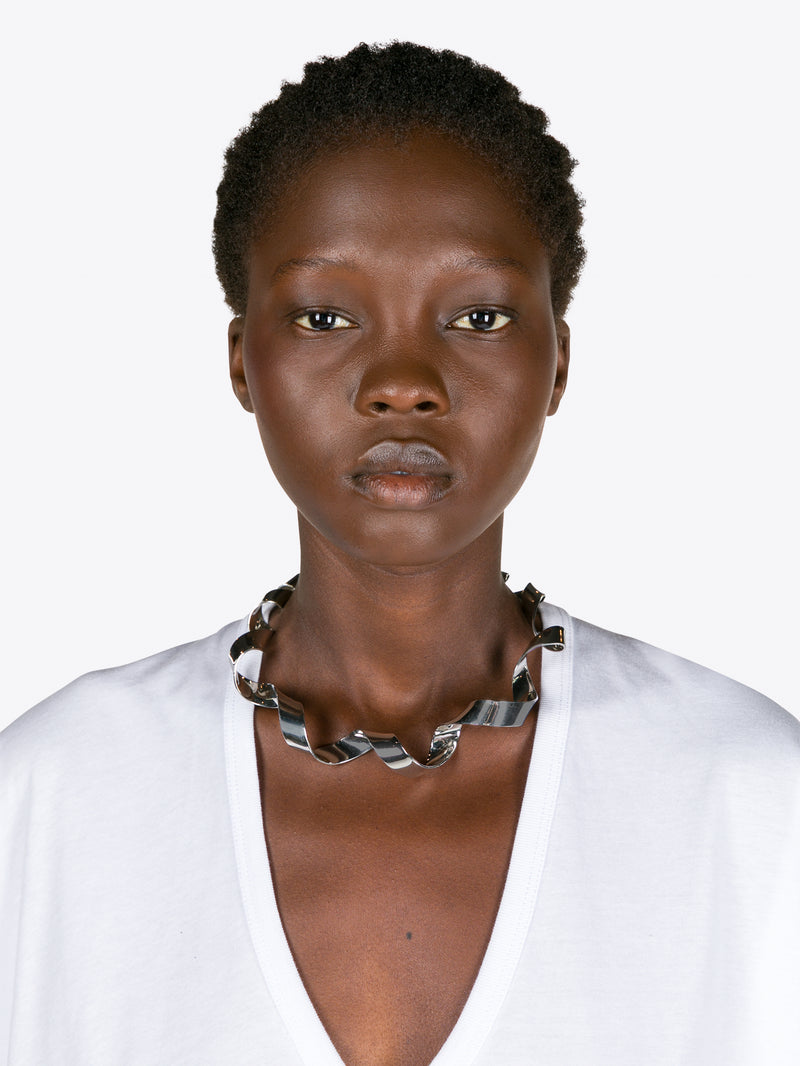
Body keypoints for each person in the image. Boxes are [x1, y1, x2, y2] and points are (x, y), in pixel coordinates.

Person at [1, 41, 798, 1066]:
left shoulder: (751, 802)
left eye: (478, 315)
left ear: (557, 361)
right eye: (325, 315)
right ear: (243, 362)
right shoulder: (52, 800)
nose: (402, 381)